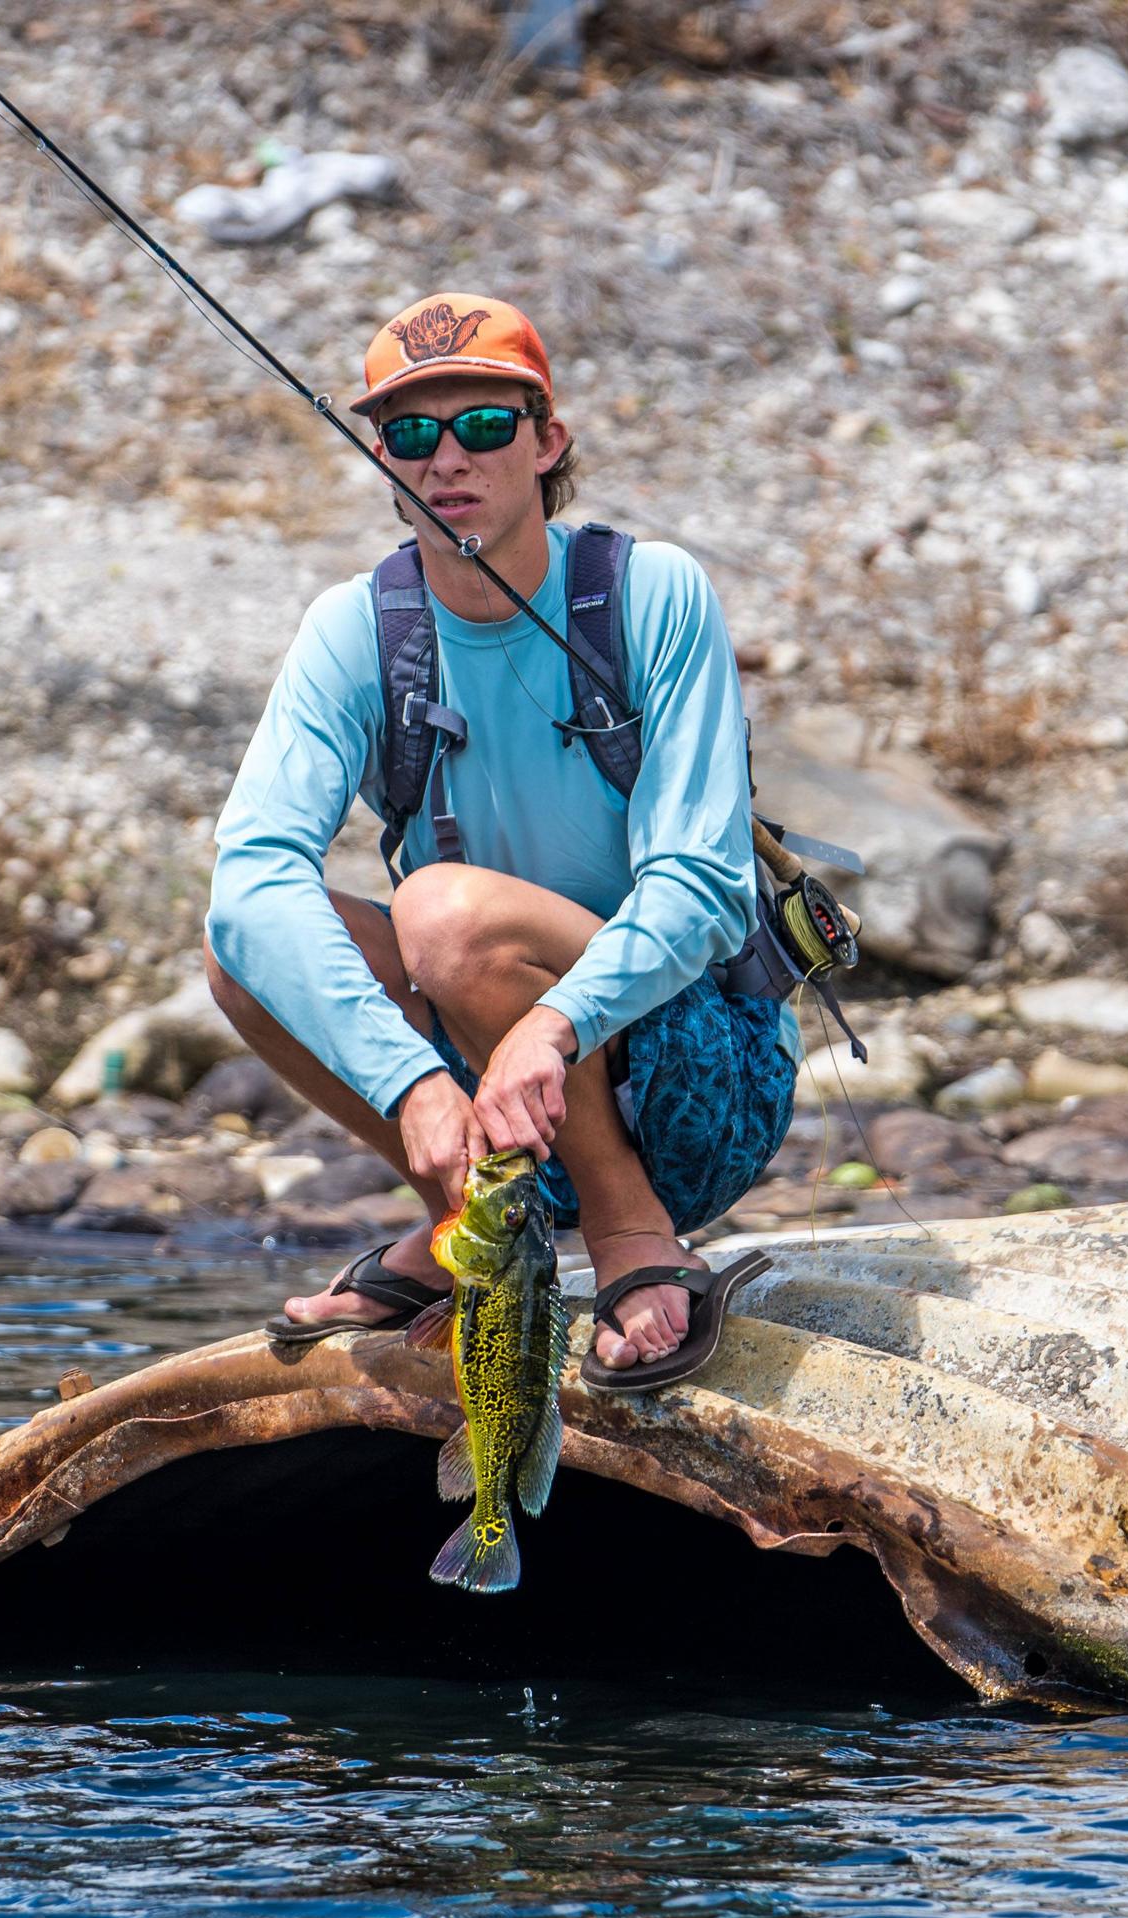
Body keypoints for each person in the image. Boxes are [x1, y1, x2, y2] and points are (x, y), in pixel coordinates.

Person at [204, 291, 797, 1389]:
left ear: (545, 443)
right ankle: (460, 1233)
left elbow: (704, 889)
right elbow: (249, 883)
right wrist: (410, 1088)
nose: (445, 461)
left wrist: (554, 1023)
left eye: (481, 426)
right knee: (241, 957)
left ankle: (627, 1231)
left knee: (443, 915)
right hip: (486, 1109)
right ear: (384, 459)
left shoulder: (652, 595)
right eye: (411, 435)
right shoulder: (353, 629)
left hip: (696, 1080)